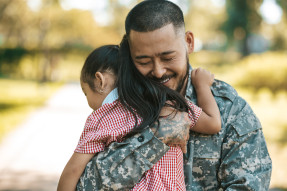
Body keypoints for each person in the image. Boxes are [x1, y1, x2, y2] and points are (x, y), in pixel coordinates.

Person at [78, 0, 272, 190]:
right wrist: (154, 139)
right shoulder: (121, 108)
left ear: (188, 42)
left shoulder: (231, 110)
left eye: (168, 57)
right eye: (144, 61)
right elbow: (84, 184)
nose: (159, 71)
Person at [57, 43, 222, 190]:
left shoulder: (100, 118)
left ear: (100, 81)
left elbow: (73, 170)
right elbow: (213, 123)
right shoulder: (165, 101)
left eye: (86, 93)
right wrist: (202, 86)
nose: (89, 103)